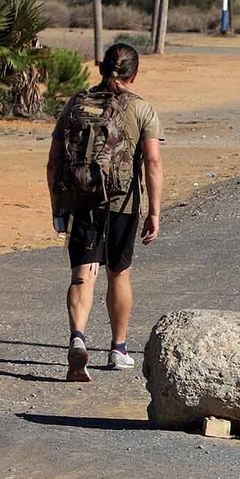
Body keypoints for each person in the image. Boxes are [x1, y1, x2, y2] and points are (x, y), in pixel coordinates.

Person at [46, 43, 163, 381]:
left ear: (101, 69)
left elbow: (54, 161)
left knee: (82, 274)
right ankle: (118, 348)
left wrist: (58, 206)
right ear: (134, 74)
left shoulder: (76, 104)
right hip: (123, 203)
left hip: (82, 200)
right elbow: (153, 161)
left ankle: (77, 338)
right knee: (118, 273)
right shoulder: (141, 109)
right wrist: (154, 211)